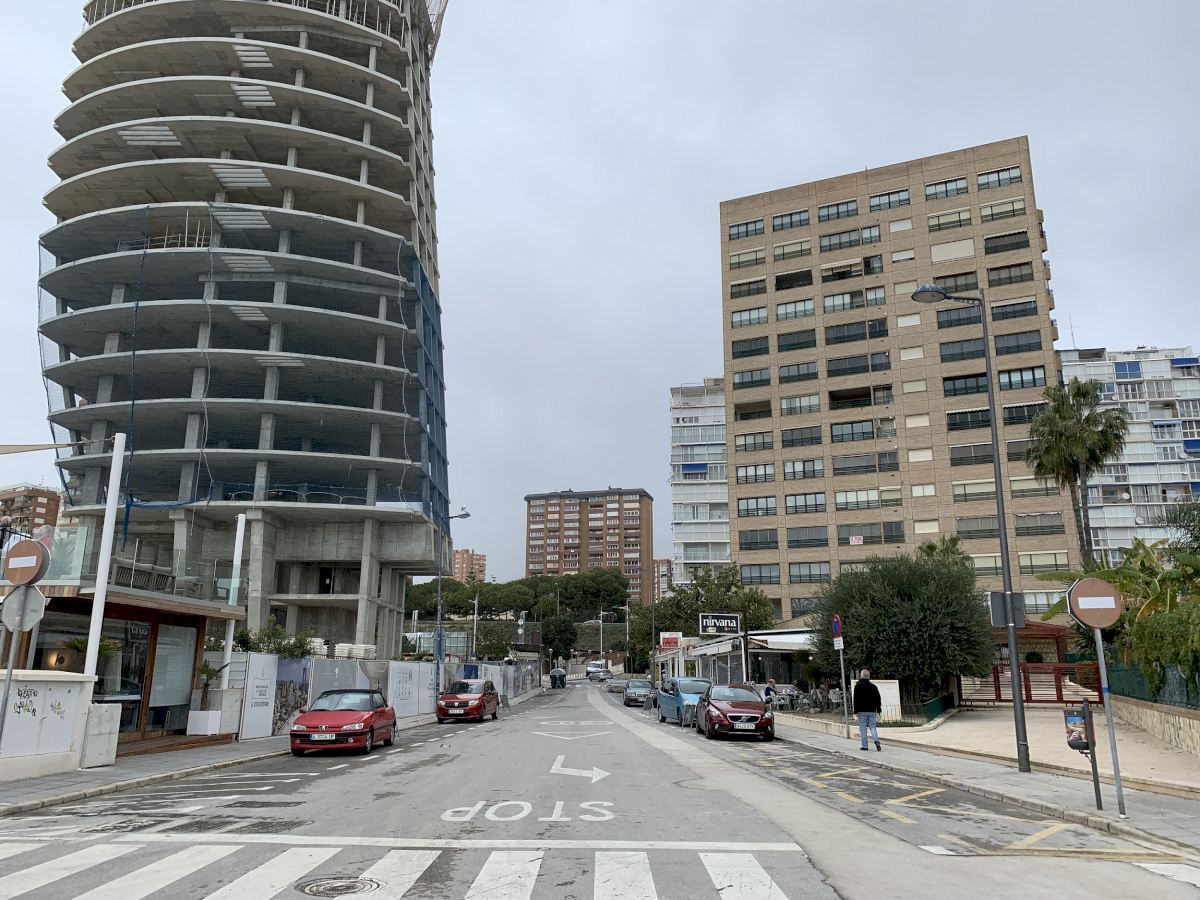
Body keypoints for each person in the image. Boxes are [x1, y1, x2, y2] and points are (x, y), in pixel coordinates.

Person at [853, 668, 882, 751]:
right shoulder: (873, 687)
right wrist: (878, 709)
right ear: (869, 676)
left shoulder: (858, 686)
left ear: (861, 676)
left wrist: (855, 711)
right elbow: (878, 699)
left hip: (862, 710)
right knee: (873, 727)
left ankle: (865, 746)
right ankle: (876, 740)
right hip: (872, 710)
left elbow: (856, 699)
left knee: (862, 728)